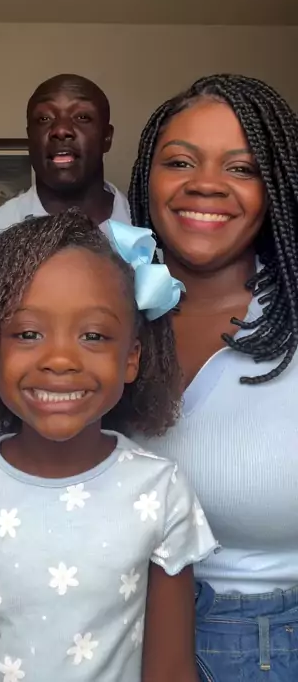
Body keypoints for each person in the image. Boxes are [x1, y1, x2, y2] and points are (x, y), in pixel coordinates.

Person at [0, 210, 217, 682]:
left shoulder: (160, 490)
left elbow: (170, 671)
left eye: (93, 335)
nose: (60, 360)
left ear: (131, 358)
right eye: (28, 334)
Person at [128, 73, 298, 681]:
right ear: (146, 177)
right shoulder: (97, 313)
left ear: (275, 187)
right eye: (180, 161)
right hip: (102, 629)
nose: (205, 183)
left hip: (268, 649)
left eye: (242, 168)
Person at [0, 73, 130, 290]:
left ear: (107, 137)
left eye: (82, 117)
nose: (61, 130)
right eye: (44, 119)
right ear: (29, 137)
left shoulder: (146, 225)